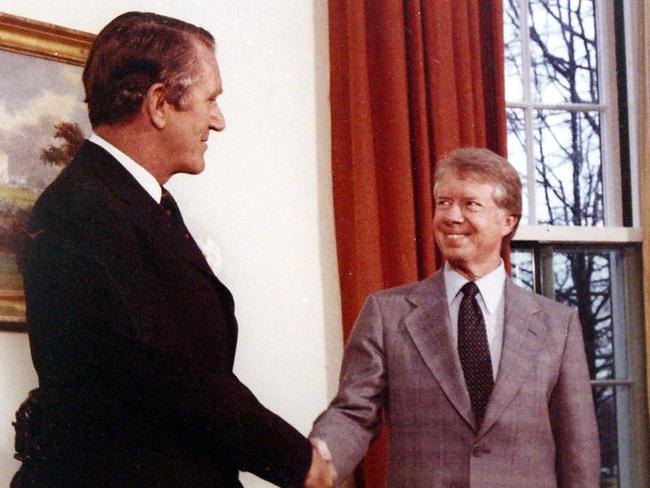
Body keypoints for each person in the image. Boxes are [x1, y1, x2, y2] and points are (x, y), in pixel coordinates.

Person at [12, 11, 334, 488]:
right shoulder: (87, 210)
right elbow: (178, 377)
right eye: (211, 100)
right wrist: (299, 461)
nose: (219, 121)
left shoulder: (127, 199)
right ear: (160, 104)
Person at [310, 147, 600, 487]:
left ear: (508, 221)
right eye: (443, 202)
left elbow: (578, 449)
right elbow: (354, 413)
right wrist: (319, 459)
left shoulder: (557, 325)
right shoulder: (387, 314)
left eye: (470, 204)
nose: (451, 216)